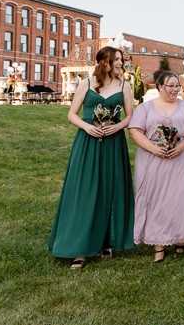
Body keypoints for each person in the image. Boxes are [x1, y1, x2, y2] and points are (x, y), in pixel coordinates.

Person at [48, 46, 135, 269]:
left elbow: (129, 118)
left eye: (121, 60)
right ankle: (79, 249)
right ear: (104, 61)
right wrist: (88, 127)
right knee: (85, 191)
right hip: (87, 143)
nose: (120, 63)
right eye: (116, 59)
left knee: (110, 189)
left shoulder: (125, 86)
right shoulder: (86, 83)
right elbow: (71, 114)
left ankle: (108, 241)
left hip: (113, 144)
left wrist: (116, 128)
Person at [129, 71, 184, 263]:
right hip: (153, 160)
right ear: (159, 87)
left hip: (182, 158)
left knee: (181, 198)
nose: (175, 89)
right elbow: (135, 131)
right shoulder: (145, 108)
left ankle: (181, 237)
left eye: (178, 86)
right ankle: (158, 244)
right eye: (171, 86)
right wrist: (153, 148)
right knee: (156, 200)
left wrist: (182, 146)